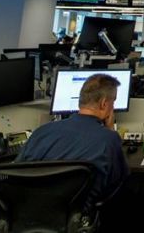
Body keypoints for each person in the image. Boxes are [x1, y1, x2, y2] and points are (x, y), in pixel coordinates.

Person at [16, 73, 129, 205]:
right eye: (113, 102)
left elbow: (15, 171)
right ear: (104, 104)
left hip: (29, 212)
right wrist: (110, 130)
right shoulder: (108, 138)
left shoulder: (41, 132)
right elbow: (120, 178)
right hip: (76, 215)